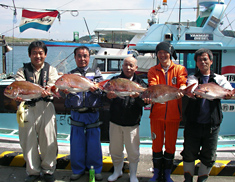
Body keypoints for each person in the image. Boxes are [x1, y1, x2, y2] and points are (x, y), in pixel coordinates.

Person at [181, 48, 234, 182]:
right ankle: (188, 180)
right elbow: (192, 89)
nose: (203, 62)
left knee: (209, 155)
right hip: (193, 124)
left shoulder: (220, 79)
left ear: (211, 61)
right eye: (199, 60)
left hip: (212, 125)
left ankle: (202, 180)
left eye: (205, 59)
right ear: (196, 63)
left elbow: (229, 92)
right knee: (188, 153)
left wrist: (228, 94)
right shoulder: (192, 78)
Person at [14, 41, 59, 182]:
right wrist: (18, 95)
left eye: (40, 53)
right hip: (27, 108)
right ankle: (32, 171)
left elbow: (53, 86)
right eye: (34, 53)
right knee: (28, 140)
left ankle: (48, 170)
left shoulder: (51, 70)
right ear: (29, 55)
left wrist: (49, 90)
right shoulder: (22, 71)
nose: (38, 56)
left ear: (45, 54)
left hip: (46, 107)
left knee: (49, 139)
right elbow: (18, 86)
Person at [143, 42, 188, 182]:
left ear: (170, 53)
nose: (162, 55)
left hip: (174, 115)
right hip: (156, 115)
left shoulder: (180, 69)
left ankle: (167, 174)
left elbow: (182, 81)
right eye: (159, 52)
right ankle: (156, 174)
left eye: (165, 52)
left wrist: (182, 88)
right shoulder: (152, 70)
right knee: (156, 144)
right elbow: (154, 86)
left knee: (170, 144)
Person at [64, 46, 103, 181]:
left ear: (89, 57)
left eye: (85, 56)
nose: (82, 59)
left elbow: (102, 90)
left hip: (92, 113)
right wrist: (65, 92)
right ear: (75, 58)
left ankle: (95, 170)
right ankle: (78, 169)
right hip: (77, 114)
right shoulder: (70, 75)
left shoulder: (96, 72)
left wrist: (95, 89)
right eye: (79, 56)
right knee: (76, 144)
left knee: (94, 145)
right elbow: (64, 94)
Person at [106, 57, 147, 182]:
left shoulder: (140, 83)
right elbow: (104, 95)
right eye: (125, 65)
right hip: (115, 121)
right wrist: (108, 96)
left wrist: (138, 97)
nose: (128, 68)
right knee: (115, 149)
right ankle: (117, 171)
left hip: (132, 123)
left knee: (133, 151)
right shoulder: (114, 81)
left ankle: (133, 174)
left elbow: (145, 101)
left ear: (136, 68)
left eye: (131, 65)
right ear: (122, 66)